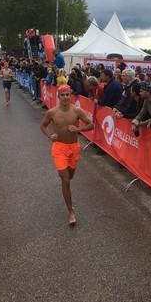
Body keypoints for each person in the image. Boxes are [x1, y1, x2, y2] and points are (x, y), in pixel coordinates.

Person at [40, 84, 94, 225]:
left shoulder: (77, 111)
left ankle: (68, 197)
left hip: (74, 147)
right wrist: (49, 136)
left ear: (70, 96)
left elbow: (91, 124)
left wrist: (78, 129)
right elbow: (43, 126)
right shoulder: (52, 112)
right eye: (62, 95)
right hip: (59, 148)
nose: (65, 97)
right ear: (58, 96)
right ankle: (71, 211)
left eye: (67, 95)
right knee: (65, 180)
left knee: (70, 176)